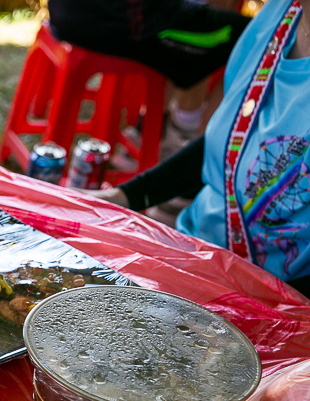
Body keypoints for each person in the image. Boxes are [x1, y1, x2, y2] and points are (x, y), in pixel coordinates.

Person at [95, 0, 310, 291]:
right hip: (195, 253)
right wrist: (125, 197)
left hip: (275, 305)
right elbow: (231, 144)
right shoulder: (279, 17)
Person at [47, 0, 251, 158]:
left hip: (68, 11)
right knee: (252, 39)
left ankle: (153, 132)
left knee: (197, 18)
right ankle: (189, 166)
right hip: (112, 19)